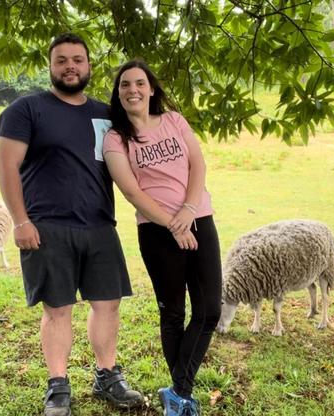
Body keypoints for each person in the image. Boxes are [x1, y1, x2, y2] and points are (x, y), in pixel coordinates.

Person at [0, 33, 144, 416]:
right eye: (61, 60)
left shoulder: (107, 114)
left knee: (107, 304)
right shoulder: (26, 110)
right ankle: (58, 386)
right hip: (46, 227)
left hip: (99, 226)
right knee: (57, 309)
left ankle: (107, 375)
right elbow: (6, 166)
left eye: (78, 59)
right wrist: (20, 221)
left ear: (89, 66)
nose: (70, 66)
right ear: (51, 67)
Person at [102, 59, 222, 416]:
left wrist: (187, 211)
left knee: (210, 310)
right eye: (125, 85)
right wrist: (173, 224)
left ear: (151, 89)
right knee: (173, 313)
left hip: (199, 219)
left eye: (140, 83)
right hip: (156, 232)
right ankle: (182, 401)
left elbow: (197, 165)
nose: (133, 90)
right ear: (119, 93)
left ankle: (178, 391)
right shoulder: (115, 137)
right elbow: (132, 192)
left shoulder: (173, 120)